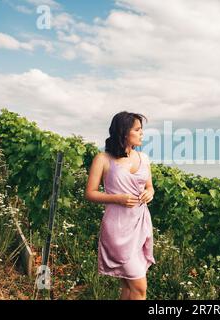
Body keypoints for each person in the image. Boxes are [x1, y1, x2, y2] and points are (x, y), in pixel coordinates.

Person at [85, 111, 156, 300]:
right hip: (118, 230)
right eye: (138, 129)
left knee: (127, 287)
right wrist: (117, 198)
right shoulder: (103, 159)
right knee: (140, 288)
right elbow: (90, 193)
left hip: (140, 226)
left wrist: (149, 193)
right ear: (124, 132)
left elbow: (150, 187)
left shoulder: (144, 158)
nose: (142, 134)